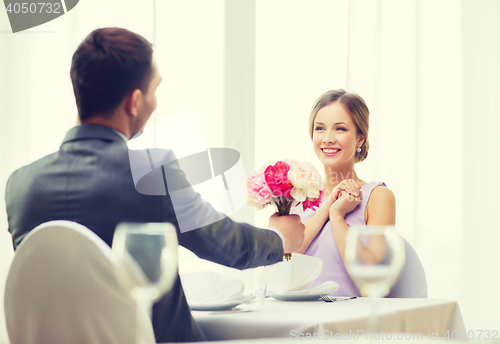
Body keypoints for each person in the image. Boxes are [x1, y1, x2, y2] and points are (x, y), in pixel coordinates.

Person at [5, 27, 305, 342]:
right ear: (135, 101)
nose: (154, 101)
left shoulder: (20, 185)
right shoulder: (153, 172)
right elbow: (225, 245)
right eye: (154, 89)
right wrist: (279, 240)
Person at [291, 89, 427, 298]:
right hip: (292, 315)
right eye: (320, 128)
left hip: (349, 321)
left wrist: (338, 217)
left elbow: (371, 282)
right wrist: (327, 208)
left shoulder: (378, 196)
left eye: (340, 129)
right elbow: (281, 266)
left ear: (360, 138)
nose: (327, 138)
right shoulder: (296, 195)